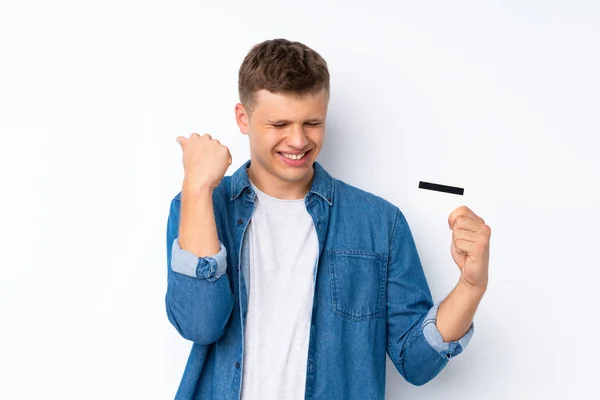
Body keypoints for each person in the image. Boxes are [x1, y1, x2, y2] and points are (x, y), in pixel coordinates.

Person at [165, 38, 491, 400]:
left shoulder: (380, 224)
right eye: (280, 123)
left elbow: (415, 362)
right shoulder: (200, 205)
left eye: (312, 122)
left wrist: (470, 287)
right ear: (243, 118)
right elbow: (200, 323)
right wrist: (196, 187)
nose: (298, 140)